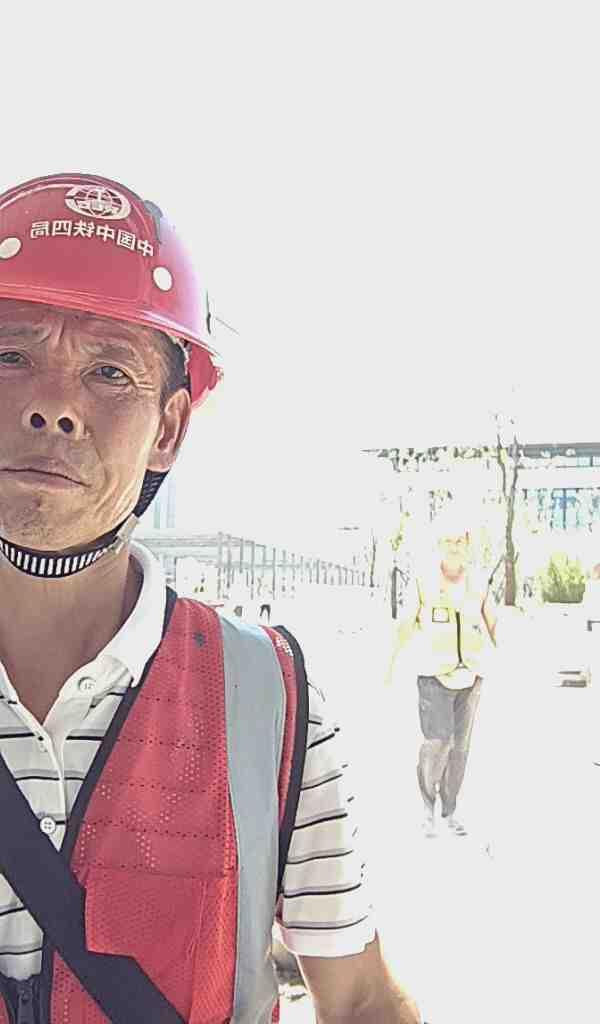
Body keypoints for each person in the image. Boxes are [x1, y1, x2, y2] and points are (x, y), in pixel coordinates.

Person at [0, 173, 422, 1023]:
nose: (53, 407)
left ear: (169, 429)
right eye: (11, 356)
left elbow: (360, 1000)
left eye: (110, 371)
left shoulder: (268, 699)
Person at [386, 507, 498, 839]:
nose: (454, 547)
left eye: (460, 541)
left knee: (460, 747)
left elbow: (493, 622)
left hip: (471, 675)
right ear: (439, 545)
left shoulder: (478, 582)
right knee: (438, 742)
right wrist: (390, 663)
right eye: (448, 541)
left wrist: (506, 656)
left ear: (467, 545)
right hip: (433, 675)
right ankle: (426, 806)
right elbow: (405, 624)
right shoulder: (423, 581)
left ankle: (450, 810)